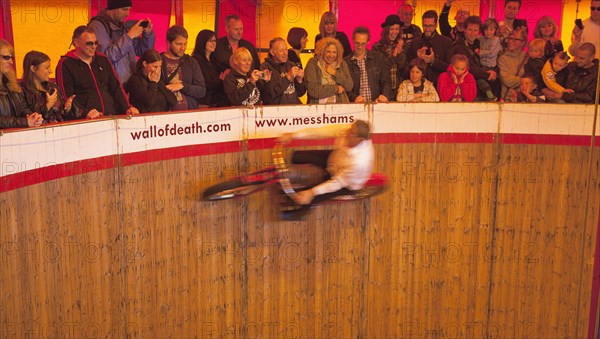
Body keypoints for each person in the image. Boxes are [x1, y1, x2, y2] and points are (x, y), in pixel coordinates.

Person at [278, 120, 374, 220]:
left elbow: (337, 183)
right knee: (298, 156)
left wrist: (311, 193)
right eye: (349, 129)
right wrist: (293, 135)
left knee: (310, 195)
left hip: (344, 182)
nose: (346, 133)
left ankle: (298, 213)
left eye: (351, 133)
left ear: (360, 140)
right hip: (336, 158)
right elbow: (318, 132)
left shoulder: (360, 162)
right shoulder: (348, 130)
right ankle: (287, 175)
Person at [56, 26, 138, 119]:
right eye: (89, 44)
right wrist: (84, 113)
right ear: (76, 43)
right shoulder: (65, 64)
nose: (94, 46)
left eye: (96, 43)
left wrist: (127, 107)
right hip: (84, 121)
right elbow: (66, 96)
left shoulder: (103, 59)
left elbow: (116, 87)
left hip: (110, 115)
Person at [88, 0, 155, 84]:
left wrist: (148, 34)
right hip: (112, 87)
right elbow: (104, 58)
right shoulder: (97, 26)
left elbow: (143, 52)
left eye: (129, 9)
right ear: (113, 8)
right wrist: (129, 37)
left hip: (130, 84)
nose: (128, 13)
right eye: (124, 9)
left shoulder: (122, 27)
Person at [20, 51, 79, 123]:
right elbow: (27, 118)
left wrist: (67, 108)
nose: (50, 71)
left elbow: (61, 114)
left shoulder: (52, 87)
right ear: (33, 68)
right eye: (47, 68)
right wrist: (47, 106)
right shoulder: (21, 90)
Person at [451, 16, 498, 101]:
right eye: (470, 30)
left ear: (479, 31)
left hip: (482, 86)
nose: (472, 33)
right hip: (467, 89)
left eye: (475, 30)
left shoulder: (480, 43)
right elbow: (469, 68)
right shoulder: (459, 46)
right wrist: (488, 75)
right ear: (464, 29)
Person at [161, 25, 206, 111]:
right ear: (168, 43)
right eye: (178, 44)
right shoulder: (159, 61)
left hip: (189, 114)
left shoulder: (191, 62)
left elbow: (202, 91)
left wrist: (182, 86)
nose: (183, 48)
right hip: (165, 113)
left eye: (185, 43)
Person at [0, 39, 43, 129]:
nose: (11, 62)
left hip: (15, 136)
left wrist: (33, 117)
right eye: (6, 57)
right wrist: (24, 122)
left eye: (12, 58)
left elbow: (22, 107)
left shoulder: (10, 81)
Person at [405, 10, 453, 86]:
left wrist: (433, 61)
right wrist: (417, 60)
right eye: (425, 26)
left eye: (430, 26)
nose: (427, 29)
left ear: (436, 25)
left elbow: (450, 68)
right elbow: (407, 68)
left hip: (439, 86)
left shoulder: (446, 42)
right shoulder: (415, 42)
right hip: (417, 87)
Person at [345, 26, 392, 103]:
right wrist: (354, 98)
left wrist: (384, 95)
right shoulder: (346, 62)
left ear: (368, 42)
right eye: (357, 43)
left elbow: (386, 80)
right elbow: (345, 87)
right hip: (356, 106)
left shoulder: (378, 57)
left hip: (377, 103)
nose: (359, 47)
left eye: (363, 44)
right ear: (352, 40)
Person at [304, 37, 353, 104]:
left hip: (340, 109)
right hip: (318, 109)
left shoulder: (341, 63)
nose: (331, 55)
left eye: (334, 52)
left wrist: (335, 73)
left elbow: (349, 86)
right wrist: (336, 88)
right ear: (322, 51)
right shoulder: (313, 64)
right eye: (328, 51)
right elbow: (313, 90)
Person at [259, 37, 306, 105]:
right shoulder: (265, 68)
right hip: (277, 112)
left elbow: (300, 93)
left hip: (295, 110)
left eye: (286, 49)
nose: (285, 53)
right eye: (281, 50)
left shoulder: (291, 65)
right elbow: (268, 96)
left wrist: (300, 80)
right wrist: (287, 77)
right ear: (272, 52)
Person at [372, 15, 407, 97]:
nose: (394, 32)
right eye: (391, 29)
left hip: (399, 89)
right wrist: (394, 54)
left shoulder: (402, 45)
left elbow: (403, 66)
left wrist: (400, 50)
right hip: (382, 89)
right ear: (386, 30)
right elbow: (383, 68)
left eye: (397, 29)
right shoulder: (377, 47)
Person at [191, 29, 227, 107]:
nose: (214, 43)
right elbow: (205, 82)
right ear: (203, 42)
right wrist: (221, 80)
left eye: (215, 41)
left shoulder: (214, 60)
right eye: (210, 41)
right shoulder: (196, 60)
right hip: (203, 102)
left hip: (215, 101)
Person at [498, 28, 528, 100]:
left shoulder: (528, 57)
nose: (511, 41)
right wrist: (524, 81)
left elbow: (533, 78)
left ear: (523, 42)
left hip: (525, 97)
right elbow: (507, 79)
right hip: (509, 98)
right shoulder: (503, 58)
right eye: (510, 38)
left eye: (515, 39)